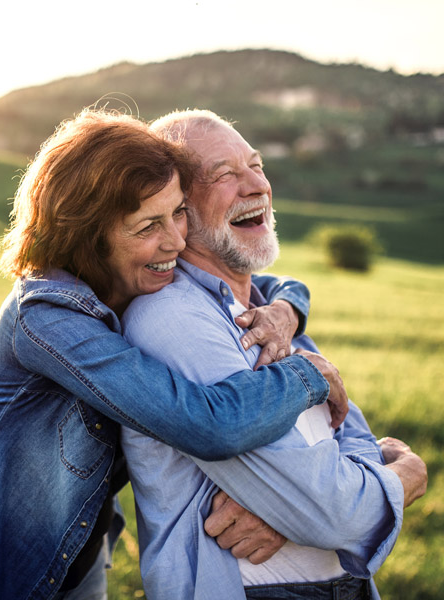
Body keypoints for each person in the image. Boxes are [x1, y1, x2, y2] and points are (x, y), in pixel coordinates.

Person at [0, 109, 348, 600]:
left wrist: (286, 310)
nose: (176, 240)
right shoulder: (47, 317)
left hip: (78, 555)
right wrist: (307, 376)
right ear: (89, 236)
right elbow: (205, 425)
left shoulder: (132, 278)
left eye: (177, 211)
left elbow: (265, 283)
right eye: (147, 226)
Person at [121, 110, 428, 600]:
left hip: (346, 585)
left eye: (256, 165)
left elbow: (353, 439)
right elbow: (330, 513)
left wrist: (295, 513)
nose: (256, 186)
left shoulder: (271, 315)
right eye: (224, 175)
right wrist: (405, 476)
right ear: (178, 209)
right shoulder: (172, 319)